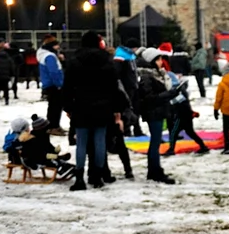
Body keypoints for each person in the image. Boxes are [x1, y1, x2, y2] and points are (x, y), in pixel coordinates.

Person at [63, 31, 125, 191]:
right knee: (99, 141)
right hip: (103, 107)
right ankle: (97, 176)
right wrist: (116, 109)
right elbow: (113, 86)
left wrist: (68, 107)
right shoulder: (107, 60)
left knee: (81, 143)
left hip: (80, 106)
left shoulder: (74, 60)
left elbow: (67, 86)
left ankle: (79, 178)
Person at [137, 48, 182, 184]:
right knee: (155, 142)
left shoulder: (157, 74)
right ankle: (155, 171)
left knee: (156, 142)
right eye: (158, 59)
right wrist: (170, 94)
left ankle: (155, 169)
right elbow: (150, 98)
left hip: (159, 111)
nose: (161, 62)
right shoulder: (147, 77)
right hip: (153, 112)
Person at [164, 69, 209, 156]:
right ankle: (203, 146)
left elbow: (175, 103)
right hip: (186, 115)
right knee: (189, 132)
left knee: (174, 133)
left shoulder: (178, 92)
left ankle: (171, 149)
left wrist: (169, 103)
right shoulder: (181, 90)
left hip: (182, 116)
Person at [37, 37, 66, 134]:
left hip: (49, 84)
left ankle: (53, 125)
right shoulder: (50, 57)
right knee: (56, 107)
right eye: (56, 45)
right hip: (54, 85)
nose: (58, 47)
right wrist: (59, 84)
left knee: (53, 106)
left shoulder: (45, 55)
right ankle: (54, 126)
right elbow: (53, 71)